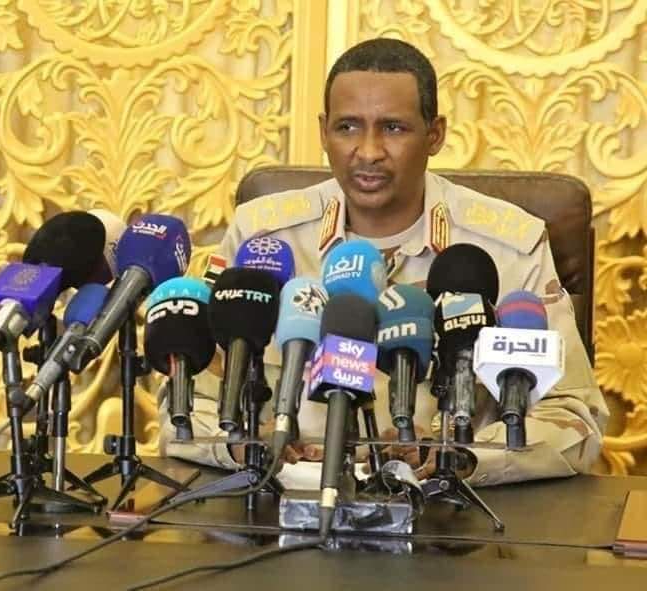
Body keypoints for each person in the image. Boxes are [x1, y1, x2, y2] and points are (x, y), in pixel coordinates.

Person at [159, 38, 608, 487]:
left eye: (393, 128)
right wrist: (241, 445)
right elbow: (185, 401)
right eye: (348, 127)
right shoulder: (261, 239)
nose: (369, 151)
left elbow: (573, 417)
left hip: (444, 510)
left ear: (435, 135)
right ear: (323, 132)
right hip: (280, 499)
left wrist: (465, 458)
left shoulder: (508, 247)